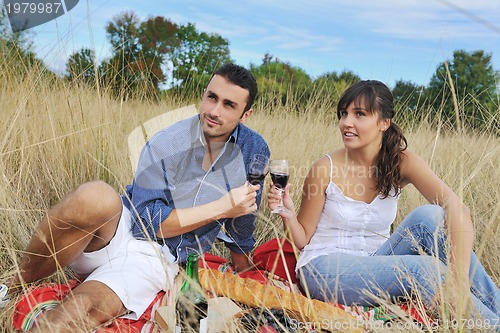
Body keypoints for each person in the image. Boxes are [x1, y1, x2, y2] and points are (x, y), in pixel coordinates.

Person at [1, 63, 270, 332]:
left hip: (157, 258)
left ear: (245, 115)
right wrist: (222, 207)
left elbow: (243, 214)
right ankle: (12, 285)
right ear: (203, 94)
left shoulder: (254, 150)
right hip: (119, 228)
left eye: (228, 105)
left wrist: (243, 266)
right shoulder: (169, 140)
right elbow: (148, 221)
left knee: (72, 315)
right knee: (95, 195)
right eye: (212, 97)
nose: (214, 111)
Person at [267, 80, 499, 326]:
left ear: (383, 123)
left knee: (431, 217)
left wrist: (459, 282)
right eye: (344, 114)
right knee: (425, 270)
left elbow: (457, 207)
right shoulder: (325, 168)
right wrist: (288, 215)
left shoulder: (402, 161)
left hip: (379, 258)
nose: (347, 122)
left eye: (360, 114)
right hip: (325, 268)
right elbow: (302, 239)